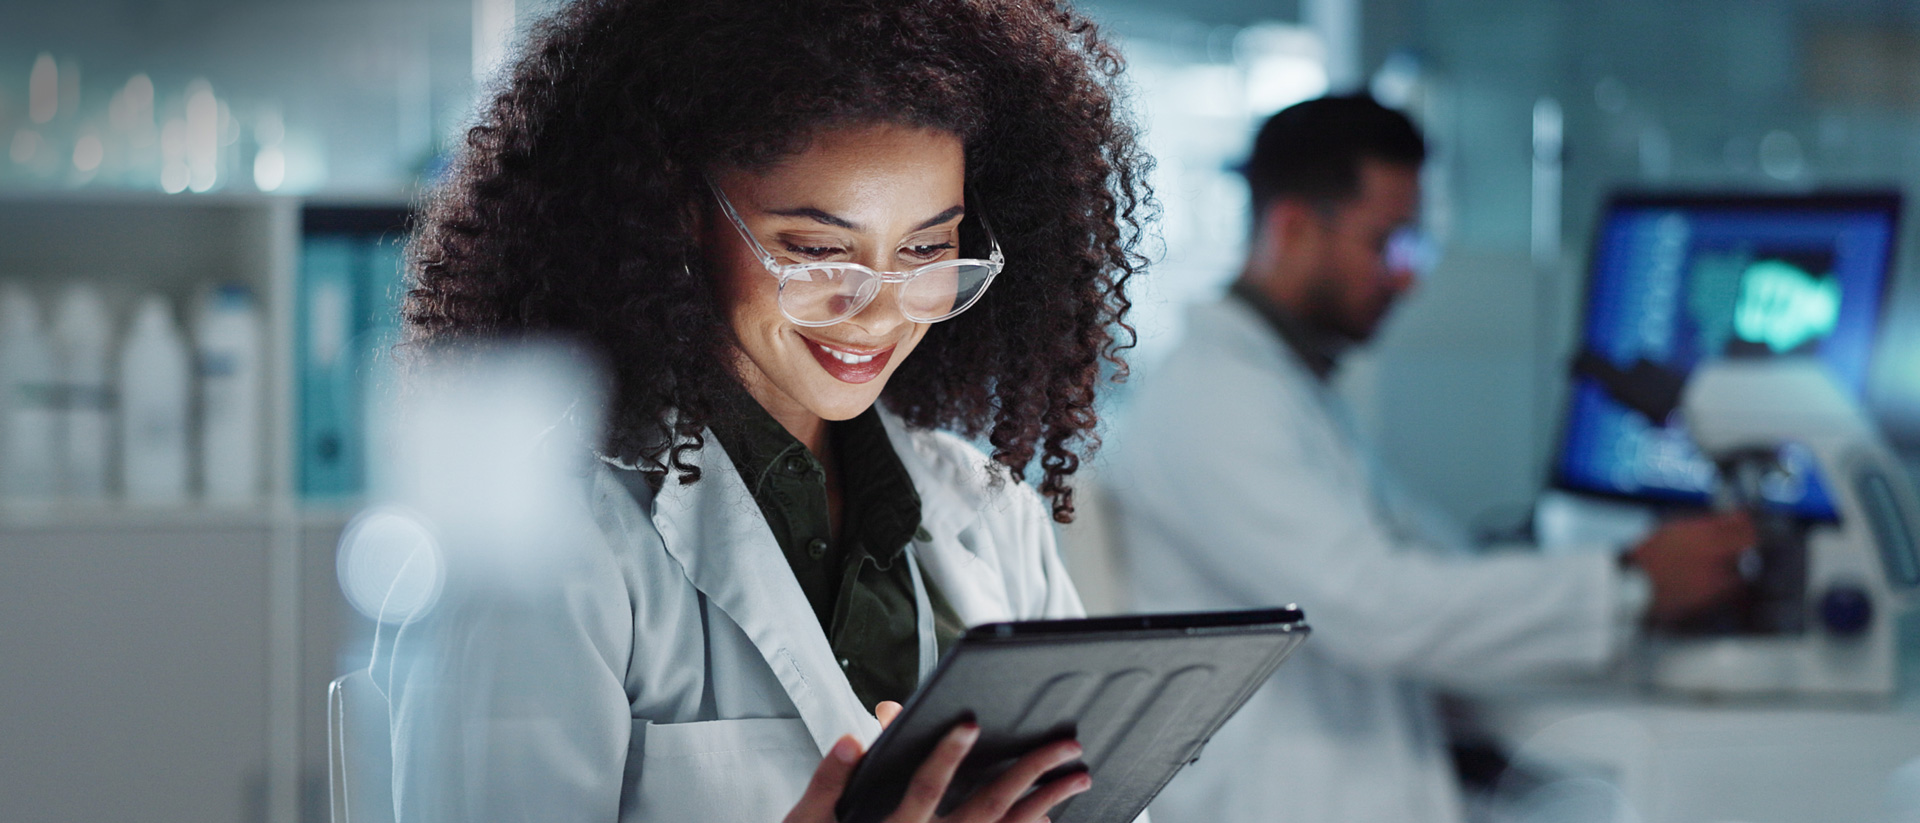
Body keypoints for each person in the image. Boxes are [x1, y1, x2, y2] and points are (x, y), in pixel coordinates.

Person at [374, 1, 1151, 821]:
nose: (878, 313)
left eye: (926, 249)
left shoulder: (989, 517)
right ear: (684, 208)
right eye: (817, 252)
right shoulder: (545, 544)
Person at [1107, 94, 1755, 823]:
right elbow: (1378, 606)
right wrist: (1630, 585)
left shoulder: (1284, 387)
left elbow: (1430, 564)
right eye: (1388, 244)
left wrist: (1620, 579)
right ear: (1292, 227)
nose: (1407, 277)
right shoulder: (1213, 399)